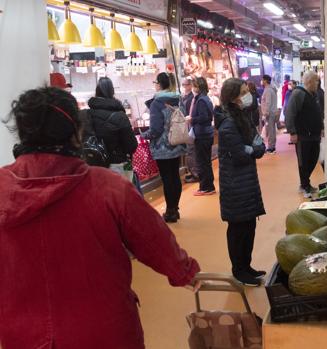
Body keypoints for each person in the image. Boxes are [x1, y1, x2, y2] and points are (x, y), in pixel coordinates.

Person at [0, 86, 200, 349]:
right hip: (105, 331)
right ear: (76, 132)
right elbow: (153, 239)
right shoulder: (108, 187)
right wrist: (184, 272)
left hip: (24, 335)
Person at [215, 78, 266, 286]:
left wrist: (253, 149)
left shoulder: (243, 118)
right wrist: (253, 149)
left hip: (247, 182)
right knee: (238, 229)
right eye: (244, 91)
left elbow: (259, 146)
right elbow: (240, 154)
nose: (249, 95)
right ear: (234, 97)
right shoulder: (228, 124)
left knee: (249, 226)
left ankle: (247, 266)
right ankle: (238, 269)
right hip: (235, 186)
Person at [141, 72, 186, 223]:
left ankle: (170, 211)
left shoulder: (156, 103)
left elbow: (156, 129)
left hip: (162, 147)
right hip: (177, 142)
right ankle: (175, 208)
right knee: (175, 176)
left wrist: (143, 135)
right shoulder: (178, 99)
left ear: (159, 84)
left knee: (167, 179)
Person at [285, 71, 324, 198]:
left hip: (315, 135)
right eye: (316, 81)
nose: (318, 83)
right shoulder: (298, 94)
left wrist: (321, 127)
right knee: (304, 161)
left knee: (313, 158)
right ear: (309, 81)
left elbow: (318, 113)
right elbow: (289, 113)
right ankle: (305, 185)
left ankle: (305, 183)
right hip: (303, 135)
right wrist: (292, 132)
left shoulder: (314, 94)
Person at [85, 77, 138, 165]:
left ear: (97, 91)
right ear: (112, 91)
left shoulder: (86, 114)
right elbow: (131, 146)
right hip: (116, 165)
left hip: (93, 164)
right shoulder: (120, 116)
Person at [190, 77, 216, 196]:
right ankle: (208, 186)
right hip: (207, 134)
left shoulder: (200, 100)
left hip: (202, 135)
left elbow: (204, 117)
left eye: (194, 86)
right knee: (206, 162)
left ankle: (205, 187)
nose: (192, 88)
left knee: (202, 162)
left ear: (198, 87)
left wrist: (191, 119)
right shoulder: (206, 98)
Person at [181, 77, 199, 183]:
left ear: (191, 85)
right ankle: (193, 172)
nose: (184, 87)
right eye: (183, 85)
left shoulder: (192, 98)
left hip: (190, 127)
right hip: (187, 127)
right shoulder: (185, 97)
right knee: (190, 151)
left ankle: (195, 174)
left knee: (191, 151)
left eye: (186, 85)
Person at [260, 74, 278, 154]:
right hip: (272, 113)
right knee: (272, 130)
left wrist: (265, 113)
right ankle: (272, 146)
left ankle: (271, 147)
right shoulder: (271, 89)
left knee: (270, 131)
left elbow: (268, 102)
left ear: (265, 81)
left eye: (262, 80)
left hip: (269, 113)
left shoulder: (268, 90)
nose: (261, 81)